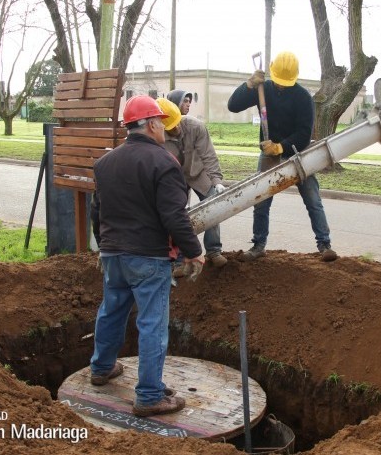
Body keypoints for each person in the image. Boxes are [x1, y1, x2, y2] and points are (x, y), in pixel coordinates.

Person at [89, 95, 204, 417]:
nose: (165, 131)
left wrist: (105, 246)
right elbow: (174, 216)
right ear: (152, 125)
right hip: (149, 258)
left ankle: (101, 369)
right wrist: (194, 252)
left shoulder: (105, 163)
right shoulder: (164, 162)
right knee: (153, 323)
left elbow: (97, 211)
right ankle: (150, 395)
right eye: (162, 124)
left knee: (111, 311)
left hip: (113, 254)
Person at [227, 51, 337, 262]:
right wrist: (249, 84)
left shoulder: (303, 97)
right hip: (268, 157)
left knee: (312, 199)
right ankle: (258, 245)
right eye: (278, 82)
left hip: (297, 154)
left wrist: (280, 147)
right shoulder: (262, 88)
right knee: (261, 200)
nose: (281, 86)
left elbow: (304, 134)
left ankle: (324, 244)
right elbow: (233, 106)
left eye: (285, 83)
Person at [156, 98, 228, 269]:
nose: (176, 128)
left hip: (198, 173)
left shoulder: (195, 126)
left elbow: (208, 155)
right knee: (177, 214)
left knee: (212, 204)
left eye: (177, 123)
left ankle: (214, 250)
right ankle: (180, 258)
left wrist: (217, 181)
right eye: (170, 127)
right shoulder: (158, 137)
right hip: (175, 178)